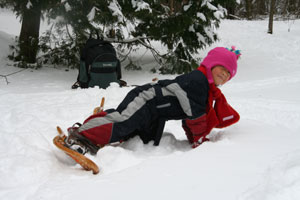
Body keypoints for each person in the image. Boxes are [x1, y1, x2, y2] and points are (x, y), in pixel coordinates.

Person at [64, 46, 241, 155]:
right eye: (222, 69)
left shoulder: (205, 88)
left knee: (137, 134)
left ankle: (95, 127)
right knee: (123, 123)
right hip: (147, 100)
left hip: (154, 113)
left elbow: (190, 116)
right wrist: (200, 140)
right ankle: (81, 135)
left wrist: (193, 139)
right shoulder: (198, 81)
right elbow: (195, 116)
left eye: (228, 74)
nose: (224, 76)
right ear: (210, 64)